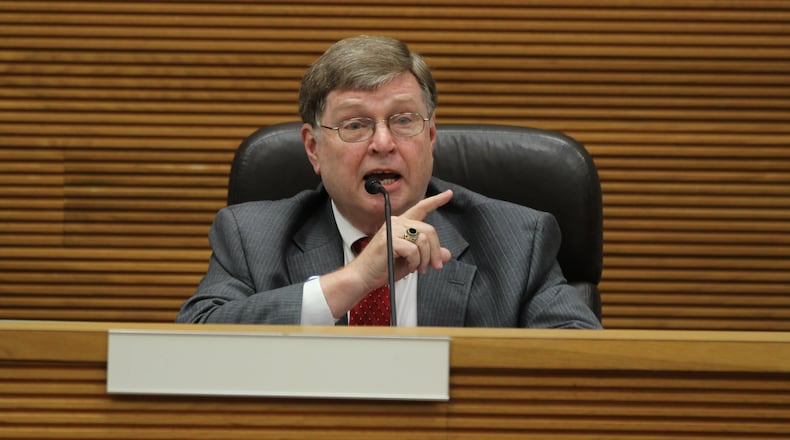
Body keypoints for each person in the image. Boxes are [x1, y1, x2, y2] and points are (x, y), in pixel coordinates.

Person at [176, 35, 602, 329]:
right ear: (312, 149)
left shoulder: (515, 240)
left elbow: (582, 363)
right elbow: (194, 339)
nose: (383, 142)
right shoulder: (251, 237)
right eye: (356, 125)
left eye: (403, 120)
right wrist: (355, 279)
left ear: (431, 136)